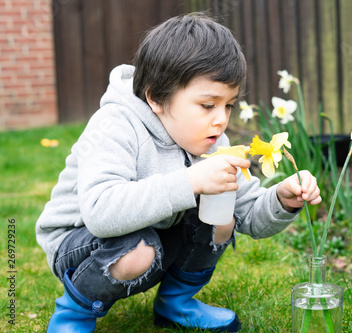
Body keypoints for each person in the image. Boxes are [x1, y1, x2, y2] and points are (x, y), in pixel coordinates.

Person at [36, 12, 321, 333]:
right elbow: (101, 213)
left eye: (228, 105)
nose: (221, 119)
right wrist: (191, 182)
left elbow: (249, 215)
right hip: (82, 244)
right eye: (207, 104)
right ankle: (73, 315)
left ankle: (176, 302)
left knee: (221, 216)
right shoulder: (114, 126)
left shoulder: (214, 142)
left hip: (154, 234)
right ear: (156, 97)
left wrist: (283, 200)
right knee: (138, 249)